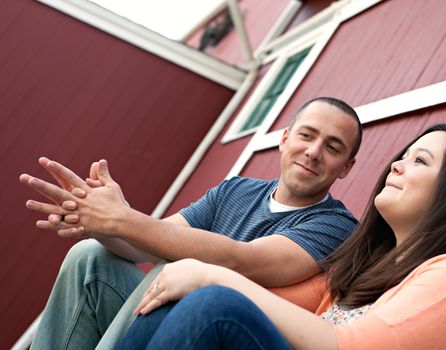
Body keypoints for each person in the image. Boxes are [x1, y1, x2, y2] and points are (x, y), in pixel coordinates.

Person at [118, 123, 446, 350]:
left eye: (419, 160)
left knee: (213, 302)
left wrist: (212, 275)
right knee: (186, 295)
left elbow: (350, 347)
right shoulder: (362, 268)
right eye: (404, 155)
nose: (396, 165)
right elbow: (267, 301)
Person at [20, 97, 362, 350]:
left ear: (346, 166)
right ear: (285, 138)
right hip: (157, 326)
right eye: (307, 135)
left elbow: (241, 259)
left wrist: (122, 219)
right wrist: (101, 225)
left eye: (332, 147)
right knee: (89, 255)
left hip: (211, 334)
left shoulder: (336, 226)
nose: (314, 151)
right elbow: (145, 243)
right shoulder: (237, 190)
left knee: (175, 269)